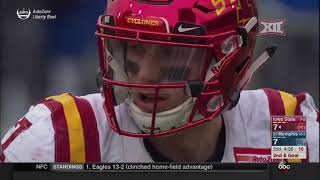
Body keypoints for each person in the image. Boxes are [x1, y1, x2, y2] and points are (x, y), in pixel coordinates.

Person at [1, 0, 318, 163]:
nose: (145, 75)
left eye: (172, 54)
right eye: (134, 48)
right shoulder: (61, 138)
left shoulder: (284, 126)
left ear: (229, 59)